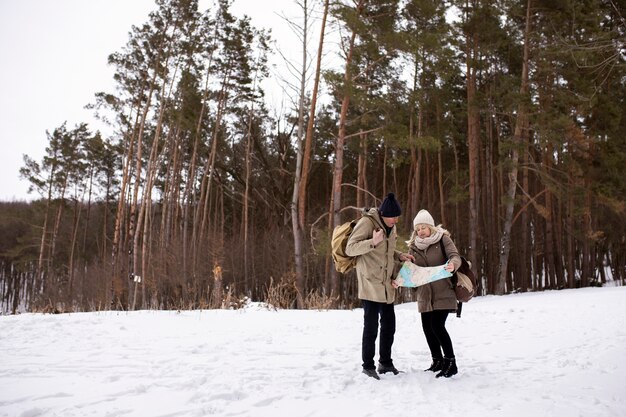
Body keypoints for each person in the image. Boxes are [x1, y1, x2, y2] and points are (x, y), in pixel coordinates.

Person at [345, 193, 414, 380]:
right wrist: (372, 242)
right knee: (371, 327)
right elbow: (350, 248)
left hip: (386, 284)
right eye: (393, 217)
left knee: (389, 326)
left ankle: (385, 362)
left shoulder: (392, 227)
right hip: (370, 282)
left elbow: (388, 251)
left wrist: (399, 256)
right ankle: (368, 366)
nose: (395, 220)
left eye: (397, 216)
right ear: (383, 214)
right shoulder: (367, 223)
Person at [406, 209, 461, 378]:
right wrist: (401, 279)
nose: (421, 231)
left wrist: (453, 265)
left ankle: (451, 362)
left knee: (437, 326)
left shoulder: (443, 239)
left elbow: (455, 256)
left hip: (443, 290)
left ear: (431, 227)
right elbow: (411, 270)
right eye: (418, 229)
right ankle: (437, 361)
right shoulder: (413, 246)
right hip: (424, 294)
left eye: (424, 227)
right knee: (427, 329)